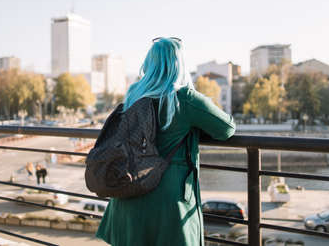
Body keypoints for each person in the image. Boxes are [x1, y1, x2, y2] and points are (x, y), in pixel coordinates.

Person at [95, 38, 236, 246]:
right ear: (181, 65)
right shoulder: (185, 99)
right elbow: (227, 129)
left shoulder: (134, 95)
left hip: (126, 194)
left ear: (149, 64)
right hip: (168, 206)